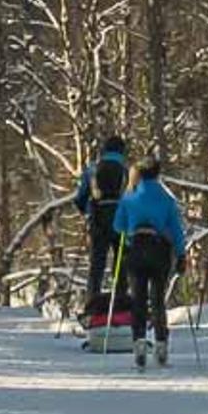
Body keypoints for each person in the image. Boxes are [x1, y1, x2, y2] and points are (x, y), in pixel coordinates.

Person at [109, 161, 189, 366]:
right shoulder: (166, 199)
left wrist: (129, 233)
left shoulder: (130, 197)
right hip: (160, 249)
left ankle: (139, 342)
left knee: (138, 299)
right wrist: (181, 255)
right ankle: (161, 342)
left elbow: (118, 225)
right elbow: (176, 231)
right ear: (158, 174)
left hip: (136, 248)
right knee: (157, 299)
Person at [74, 135, 135, 343]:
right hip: (122, 223)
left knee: (97, 267)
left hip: (98, 222)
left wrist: (88, 210)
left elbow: (80, 198)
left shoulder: (92, 170)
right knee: (121, 267)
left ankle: (92, 310)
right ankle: (121, 309)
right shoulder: (128, 172)